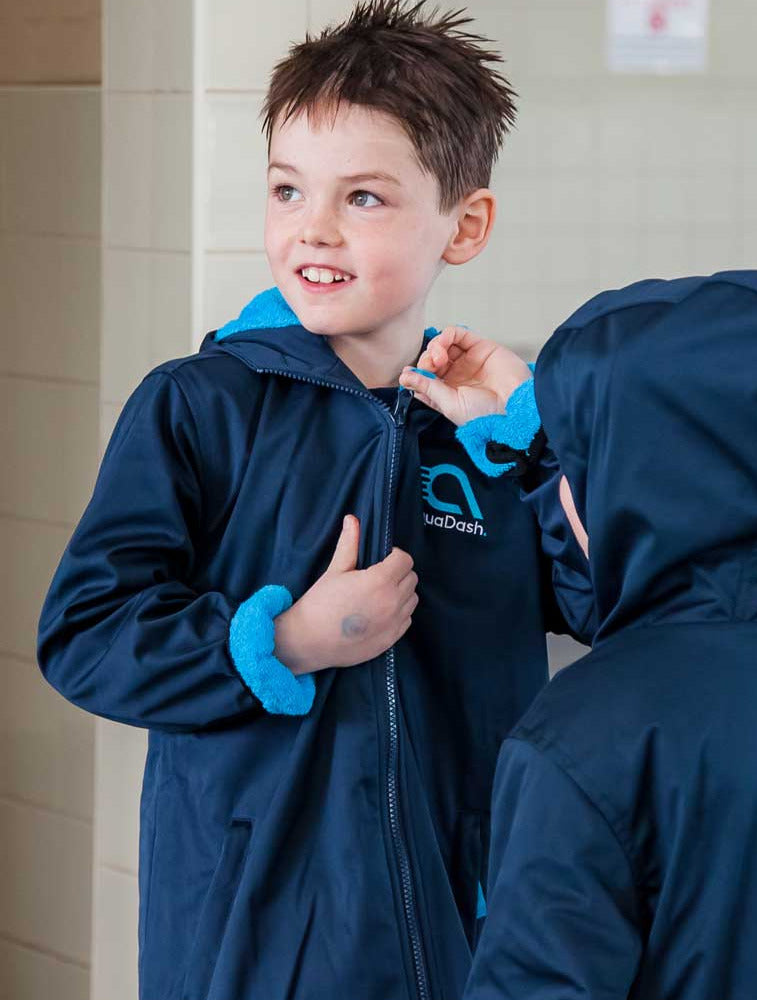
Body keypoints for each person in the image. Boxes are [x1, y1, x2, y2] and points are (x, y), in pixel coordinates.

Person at [35, 3, 592, 998]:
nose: (313, 230)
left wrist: (533, 439)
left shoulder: (482, 437)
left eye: (365, 199)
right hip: (253, 938)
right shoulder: (200, 406)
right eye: (288, 190)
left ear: (463, 225)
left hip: (461, 932)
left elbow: (603, 601)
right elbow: (83, 633)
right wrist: (283, 641)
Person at [401, 270, 757, 1000]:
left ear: (635, 488)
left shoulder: (581, 738)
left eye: (580, 458)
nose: (565, 481)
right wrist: (546, 434)